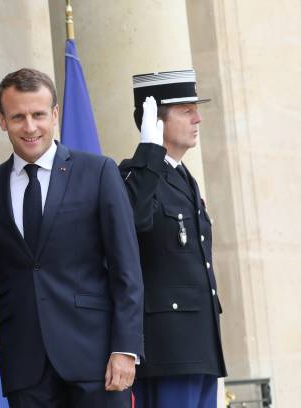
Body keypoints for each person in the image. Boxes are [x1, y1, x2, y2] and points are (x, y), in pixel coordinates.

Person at [0, 68, 143, 407]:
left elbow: (126, 267)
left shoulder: (98, 172)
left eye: (39, 115)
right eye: (18, 117)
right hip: (25, 365)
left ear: (55, 114)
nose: (30, 127)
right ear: (2, 120)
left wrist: (126, 348)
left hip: (97, 359)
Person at [119, 69, 227, 408]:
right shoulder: (137, 175)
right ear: (156, 121)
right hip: (168, 349)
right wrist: (148, 152)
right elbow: (133, 222)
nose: (197, 119)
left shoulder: (182, 176)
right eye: (186, 111)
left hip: (198, 344)